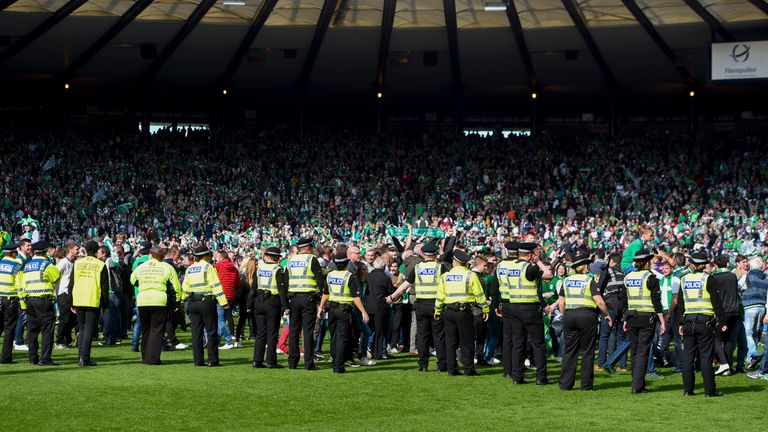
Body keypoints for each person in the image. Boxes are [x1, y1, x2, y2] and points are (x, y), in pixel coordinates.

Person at [390, 243, 449, 372]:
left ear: (423, 254)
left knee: (422, 336)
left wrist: (392, 297)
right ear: (435, 254)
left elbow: (405, 285)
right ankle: (442, 365)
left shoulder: (417, 268)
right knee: (438, 336)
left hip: (421, 304)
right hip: (436, 305)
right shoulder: (441, 267)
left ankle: (423, 365)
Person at [556, 254, 612, 390]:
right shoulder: (589, 280)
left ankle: (565, 384)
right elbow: (599, 300)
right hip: (587, 316)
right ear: (585, 267)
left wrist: (565, 315)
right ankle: (586, 385)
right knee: (587, 351)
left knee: (569, 350)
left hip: (570, 315)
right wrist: (606, 314)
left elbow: (561, 302)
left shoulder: (566, 281)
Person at [434, 250, 489, 376]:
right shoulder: (470, 275)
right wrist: (485, 309)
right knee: (466, 341)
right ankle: (469, 369)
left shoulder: (445, 276)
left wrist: (437, 311)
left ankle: (452, 369)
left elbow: (440, 295)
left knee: (450, 341)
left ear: (454, 262)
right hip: (464, 312)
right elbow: (480, 295)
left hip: (448, 311)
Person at [677, 253, 725, 397]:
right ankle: (710, 391)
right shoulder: (708, 279)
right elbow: (716, 302)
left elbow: (681, 303)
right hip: (704, 322)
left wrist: (680, 322)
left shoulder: (684, 279)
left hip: (688, 321)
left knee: (688, 357)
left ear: (692, 264)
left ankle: (688, 390)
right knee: (705, 357)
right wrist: (722, 321)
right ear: (704, 265)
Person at [507, 242, 553, 385]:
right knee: (538, 343)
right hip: (529, 309)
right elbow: (548, 274)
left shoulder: (511, 267)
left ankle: (517, 376)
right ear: (529, 255)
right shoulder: (529, 268)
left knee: (518, 343)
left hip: (514, 307)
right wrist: (538, 261)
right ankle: (541, 377)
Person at [622, 249, 665, 394]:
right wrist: (662, 320)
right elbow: (656, 301)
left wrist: (625, 318)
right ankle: (637, 386)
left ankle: (636, 383)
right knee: (643, 351)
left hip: (632, 317)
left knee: (634, 351)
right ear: (646, 262)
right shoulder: (650, 277)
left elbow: (624, 299)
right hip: (647, 317)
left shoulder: (628, 277)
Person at [318, 253, 369, 374]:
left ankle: (335, 361)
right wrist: (363, 312)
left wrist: (320, 307)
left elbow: (326, 293)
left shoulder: (330, 275)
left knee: (334, 337)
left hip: (332, 309)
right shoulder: (349, 276)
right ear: (347, 263)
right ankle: (338, 366)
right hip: (344, 310)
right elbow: (355, 297)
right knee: (342, 338)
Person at [130, 246, 181, 365]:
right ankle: (153, 359)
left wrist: (142, 284)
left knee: (146, 330)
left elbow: (132, 280)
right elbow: (176, 287)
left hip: (143, 300)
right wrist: (176, 301)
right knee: (157, 330)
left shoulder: (141, 266)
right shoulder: (167, 267)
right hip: (159, 300)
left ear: (151, 255)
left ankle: (145, 357)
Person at [181, 244, 228, 367]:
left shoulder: (190, 269)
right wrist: (223, 302)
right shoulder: (208, 267)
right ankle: (212, 360)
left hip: (193, 303)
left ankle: (198, 361)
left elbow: (185, 288)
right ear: (206, 256)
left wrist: (183, 298)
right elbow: (215, 285)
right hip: (207, 301)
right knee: (211, 331)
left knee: (196, 333)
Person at [285, 237, 324, 370]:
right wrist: (321, 298)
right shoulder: (311, 259)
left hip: (293, 299)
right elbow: (320, 281)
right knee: (308, 331)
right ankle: (308, 363)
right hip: (308, 298)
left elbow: (286, 280)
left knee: (294, 331)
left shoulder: (291, 260)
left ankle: (293, 362)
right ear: (308, 248)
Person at [20, 240, 61, 366]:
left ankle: (33, 358)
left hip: (30, 300)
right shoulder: (46, 264)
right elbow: (57, 277)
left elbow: (22, 284)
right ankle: (45, 358)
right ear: (45, 251)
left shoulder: (27, 266)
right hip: (43, 300)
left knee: (32, 330)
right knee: (48, 330)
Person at [247, 247, 289, 368]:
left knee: (260, 333)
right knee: (272, 333)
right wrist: (286, 306)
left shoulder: (260, 269)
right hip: (272, 303)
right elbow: (281, 290)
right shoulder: (278, 269)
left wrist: (249, 305)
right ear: (277, 258)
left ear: (267, 256)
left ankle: (257, 360)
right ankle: (271, 361)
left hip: (259, 302)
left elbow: (253, 289)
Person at [71, 240, 109, 367]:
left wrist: (71, 302)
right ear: (97, 250)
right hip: (93, 298)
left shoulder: (77, 263)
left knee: (82, 328)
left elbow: (71, 283)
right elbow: (104, 287)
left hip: (79, 298)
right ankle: (85, 358)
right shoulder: (101, 264)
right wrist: (106, 305)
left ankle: (80, 356)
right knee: (88, 329)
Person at [490, 241, 518, 377]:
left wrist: (496, 305)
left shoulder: (501, 265)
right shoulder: (520, 265)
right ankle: (517, 369)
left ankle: (507, 370)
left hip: (505, 304)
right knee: (519, 337)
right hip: (519, 303)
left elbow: (494, 287)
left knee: (507, 338)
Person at [709, 255, 741, 376]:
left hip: (721, 311)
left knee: (715, 338)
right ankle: (727, 367)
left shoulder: (714, 277)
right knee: (728, 339)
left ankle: (724, 363)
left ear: (716, 265)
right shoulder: (733, 276)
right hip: (734, 311)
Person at [367, 255, 394, 361]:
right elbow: (390, 291)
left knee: (369, 331)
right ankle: (379, 353)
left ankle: (367, 350)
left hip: (368, 306)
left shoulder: (368, 276)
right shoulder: (385, 278)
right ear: (384, 266)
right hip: (381, 307)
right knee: (380, 331)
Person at [0, 243, 22, 363]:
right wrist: (23, 304)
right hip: (10, 300)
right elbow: (19, 286)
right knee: (9, 329)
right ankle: (5, 357)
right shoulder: (16, 266)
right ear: (14, 254)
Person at [54, 243, 77, 349]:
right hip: (63, 293)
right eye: (77, 249)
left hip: (70, 293)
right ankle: (59, 341)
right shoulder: (64, 262)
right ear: (71, 250)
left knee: (72, 319)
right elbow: (54, 273)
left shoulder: (72, 262)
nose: (78, 250)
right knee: (64, 318)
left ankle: (67, 339)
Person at [215, 250, 240, 349]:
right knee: (223, 320)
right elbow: (238, 285)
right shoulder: (234, 269)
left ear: (221, 258)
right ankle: (217, 341)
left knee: (220, 320)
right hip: (231, 296)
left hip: (221, 295)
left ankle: (228, 341)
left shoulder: (218, 266)